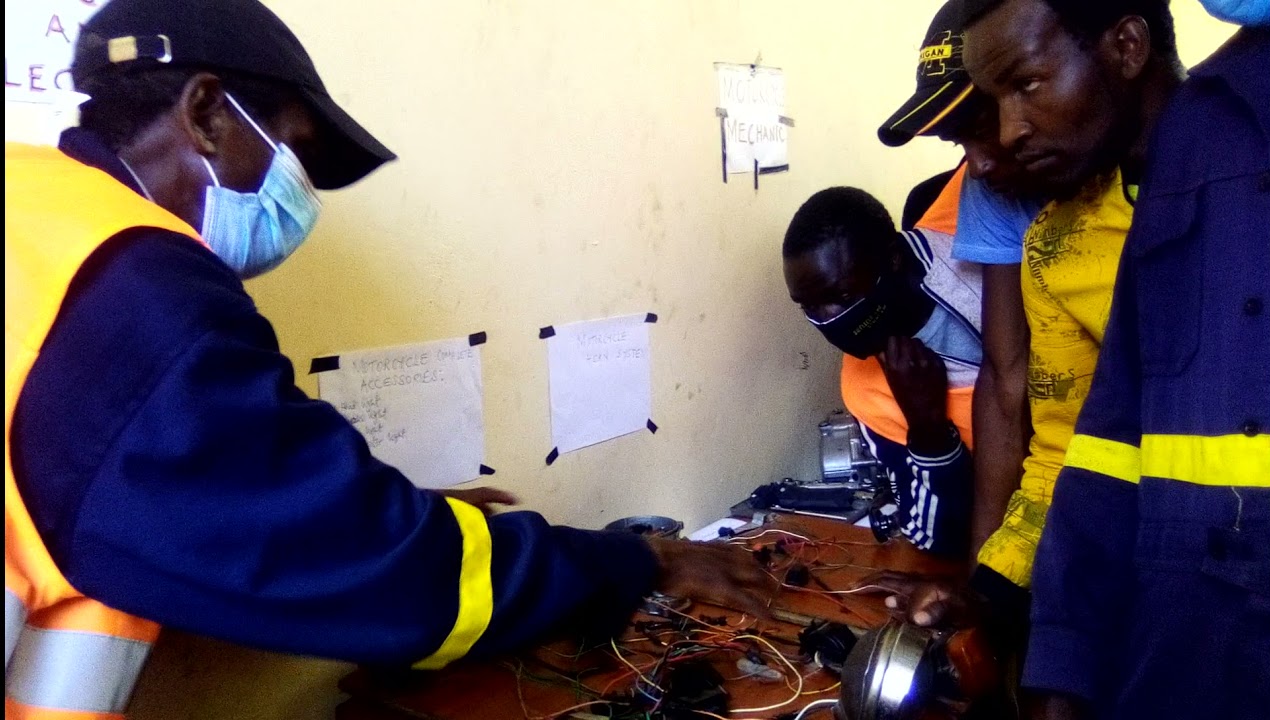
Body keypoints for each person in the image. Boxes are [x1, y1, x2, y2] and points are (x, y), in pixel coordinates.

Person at [3, 1, 768, 716]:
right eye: (294, 152)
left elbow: (193, 516)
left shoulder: (36, 212)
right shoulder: (138, 291)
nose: (301, 195)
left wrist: (379, 511)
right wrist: (641, 562)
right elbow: (391, 570)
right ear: (205, 114)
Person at [871, 0, 1186, 680]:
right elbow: (1032, 405)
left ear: (1123, 48)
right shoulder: (1053, 247)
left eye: (1021, 92)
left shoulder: (1234, 171)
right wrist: (993, 589)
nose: (994, 151)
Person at [1024, 6, 1270, 718]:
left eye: (1028, 85)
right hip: (1184, 655)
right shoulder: (1199, 124)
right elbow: (1112, 431)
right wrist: (1062, 662)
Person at [877, 0, 1045, 569]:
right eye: (959, 143)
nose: (978, 165)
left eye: (979, 127)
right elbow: (1005, 376)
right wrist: (985, 576)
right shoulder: (994, 191)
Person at [782, 186, 983, 557]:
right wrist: (928, 429)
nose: (827, 321)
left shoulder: (976, 229)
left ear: (892, 260)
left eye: (841, 297)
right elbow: (934, 539)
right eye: (807, 306)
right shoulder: (867, 390)